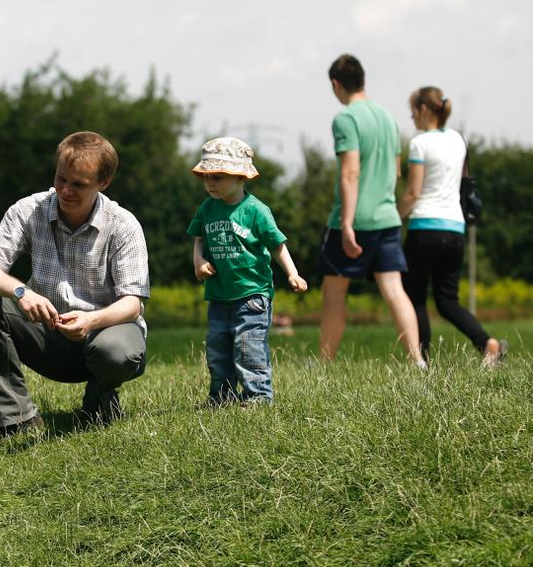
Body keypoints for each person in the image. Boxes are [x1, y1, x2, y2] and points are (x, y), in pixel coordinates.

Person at [0, 131, 150, 446]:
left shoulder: (123, 225)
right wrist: (21, 292)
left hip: (102, 334)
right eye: (61, 178)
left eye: (78, 184)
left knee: (117, 353)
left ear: (104, 183)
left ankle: (99, 401)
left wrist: (91, 320)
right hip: (46, 334)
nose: (65, 190)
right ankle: (15, 421)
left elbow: (132, 304)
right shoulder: (29, 209)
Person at [319, 54, 424, 366]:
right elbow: (396, 172)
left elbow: (350, 172)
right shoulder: (388, 118)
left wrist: (347, 224)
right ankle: (416, 360)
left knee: (335, 292)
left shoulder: (346, 119)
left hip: (354, 220)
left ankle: (324, 363)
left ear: (336, 84)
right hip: (388, 218)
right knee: (394, 289)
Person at [187, 137, 308, 406]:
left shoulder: (256, 211)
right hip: (219, 295)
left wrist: (292, 273)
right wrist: (198, 262)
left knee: (248, 346)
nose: (210, 183)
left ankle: (257, 395)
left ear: (241, 177)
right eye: (206, 177)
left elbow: (277, 245)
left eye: (218, 176)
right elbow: (199, 240)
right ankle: (222, 396)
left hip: (252, 295)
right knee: (218, 348)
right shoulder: (207, 208)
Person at [398, 86, 507, 365]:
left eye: (413, 114)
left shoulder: (420, 143)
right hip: (455, 228)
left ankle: (421, 362)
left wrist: (394, 218)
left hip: (425, 227)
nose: (412, 119)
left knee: (415, 299)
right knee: (447, 301)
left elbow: (413, 193)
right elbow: (464, 183)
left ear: (423, 110)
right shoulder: (458, 140)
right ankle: (488, 343)